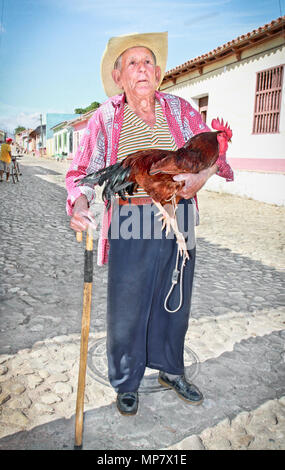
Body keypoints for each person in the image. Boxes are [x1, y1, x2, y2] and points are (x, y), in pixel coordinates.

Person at [66, 32, 233, 416]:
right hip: (129, 214)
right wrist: (79, 201)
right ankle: (126, 380)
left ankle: (171, 369)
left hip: (180, 211)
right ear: (119, 75)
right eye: (133, 63)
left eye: (148, 63)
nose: (142, 69)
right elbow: (83, 172)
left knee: (176, 296)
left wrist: (200, 179)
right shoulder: (106, 116)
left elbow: (217, 157)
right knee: (128, 302)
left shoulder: (180, 109)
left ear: (158, 74)